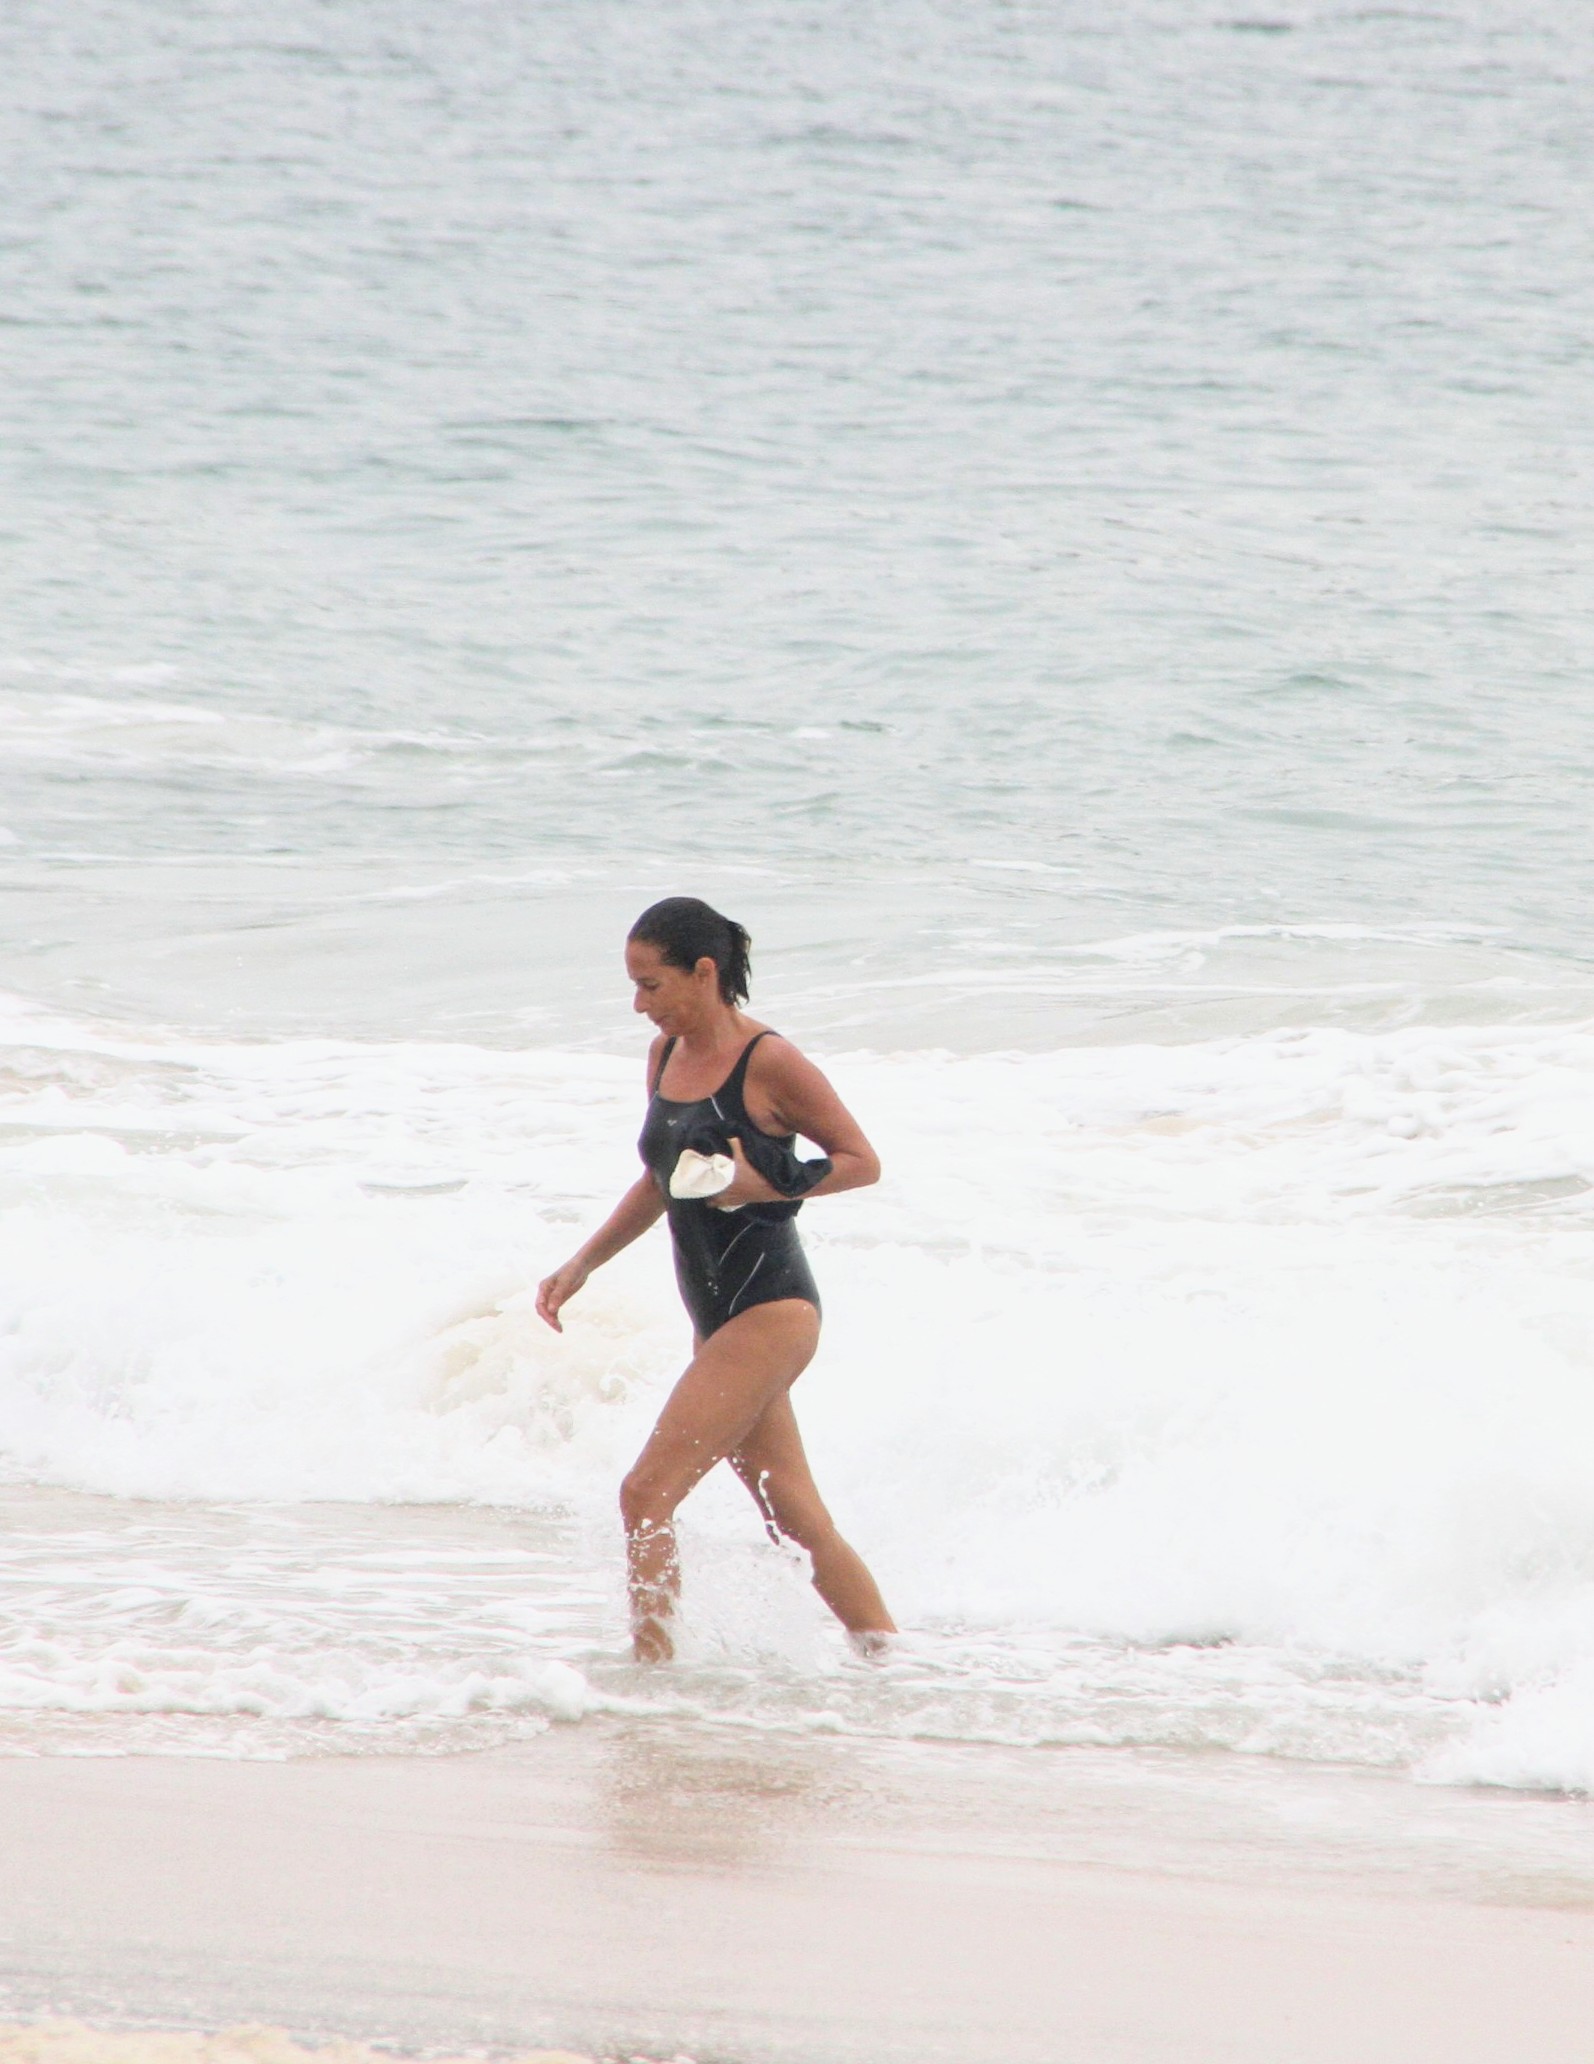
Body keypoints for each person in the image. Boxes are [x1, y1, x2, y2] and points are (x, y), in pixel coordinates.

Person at [536, 896, 896, 1662]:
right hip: (715, 1317)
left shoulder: (769, 1060)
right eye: (633, 986)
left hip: (772, 1308)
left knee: (644, 1493)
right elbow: (661, 1179)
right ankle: (886, 1657)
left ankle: (654, 1676)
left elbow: (863, 1160)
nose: (639, 1005)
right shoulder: (664, 1058)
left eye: (652, 985)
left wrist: (768, 1186)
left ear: (706, 972)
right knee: (793, 1518)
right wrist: (583, 1262)